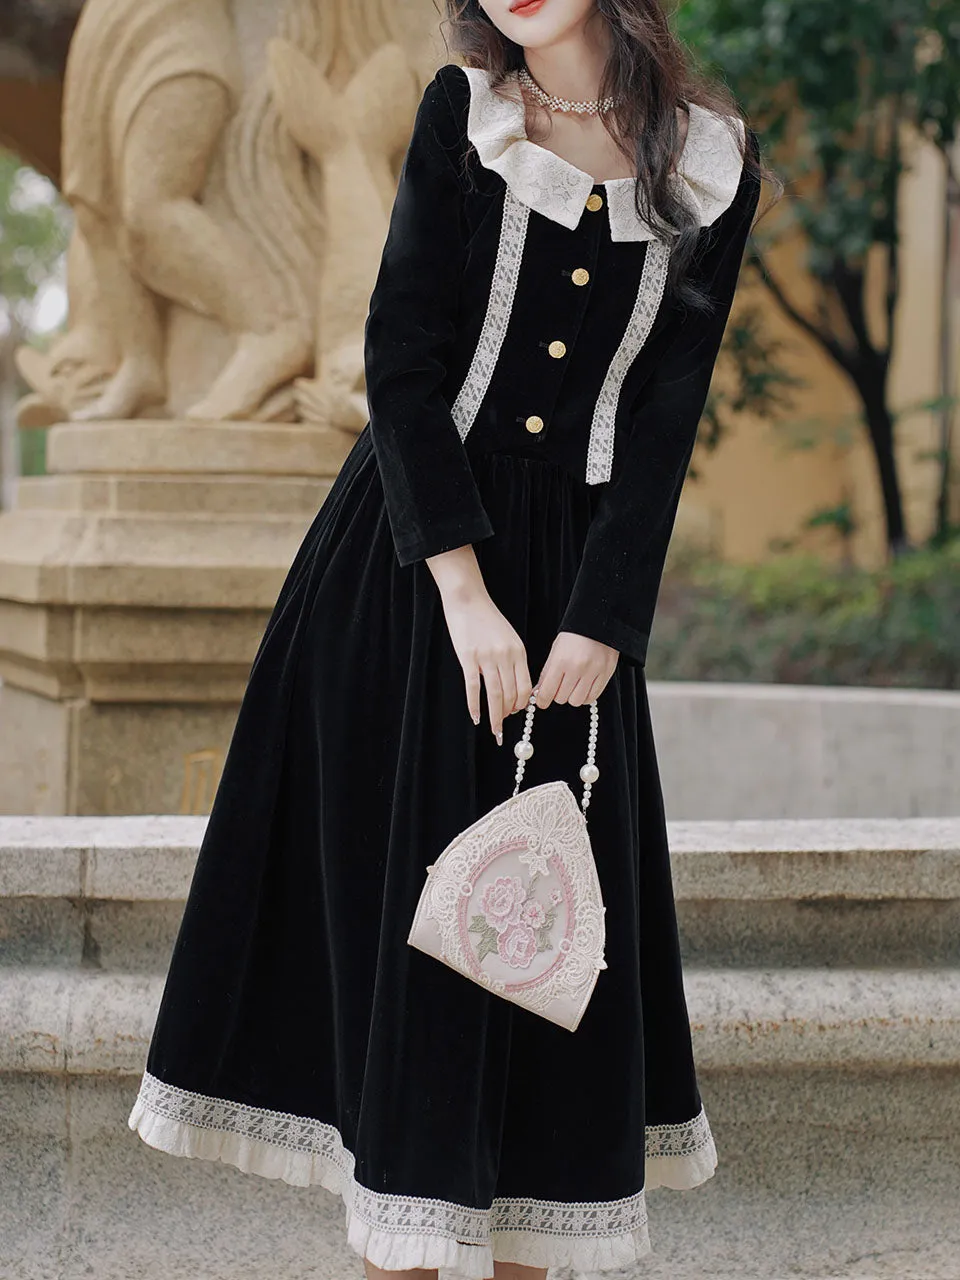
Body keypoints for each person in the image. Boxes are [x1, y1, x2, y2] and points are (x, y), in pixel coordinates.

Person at [127, 2, 771, 1278]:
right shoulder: (461, 116)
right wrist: (466, 599)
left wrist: (604, 612)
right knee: (409, 967)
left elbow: (667, 409)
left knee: (544, 951)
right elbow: (400, 359)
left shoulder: (708, 158)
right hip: (413, 576)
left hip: (578, 599)